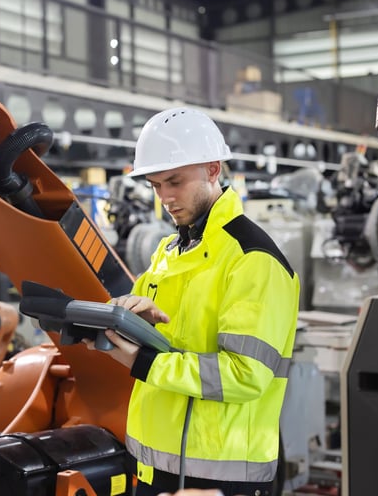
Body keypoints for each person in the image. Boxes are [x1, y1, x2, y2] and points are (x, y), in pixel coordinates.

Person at [83, 107, 300, 496]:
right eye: (155, 185)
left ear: (213, 170)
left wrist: (143, 360)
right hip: (152, 465)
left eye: (175, 181)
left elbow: (245, 374)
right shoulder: (170, 251)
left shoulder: (253, 259)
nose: (165, 197)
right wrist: (128, 320)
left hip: (217, 478)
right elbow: (177, 342)